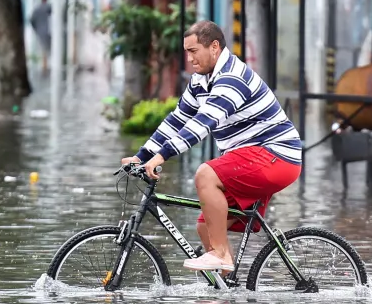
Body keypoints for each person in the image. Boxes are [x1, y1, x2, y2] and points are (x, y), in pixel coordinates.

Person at [121, 20, 302, 273]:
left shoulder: (232, 78)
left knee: (206, 174)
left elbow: (203, 123)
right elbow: (178, 119)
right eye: (186, 53)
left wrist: (161, 156)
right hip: (250, 159)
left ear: (214, 47)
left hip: (276, 157)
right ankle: (225, 290)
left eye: (193, 51)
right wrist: (142, 156)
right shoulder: (200, 81)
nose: (189, 59)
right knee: (205, 226)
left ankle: (220, 255)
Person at [29, 0, 51, 74]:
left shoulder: (37, 8)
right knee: (46, 48)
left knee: (43, 48)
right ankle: (45, 66)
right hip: (47, 30)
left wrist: (35, 28)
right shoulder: (49, 7)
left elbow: (31, 20)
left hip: (40, 31)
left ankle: (44, 65)